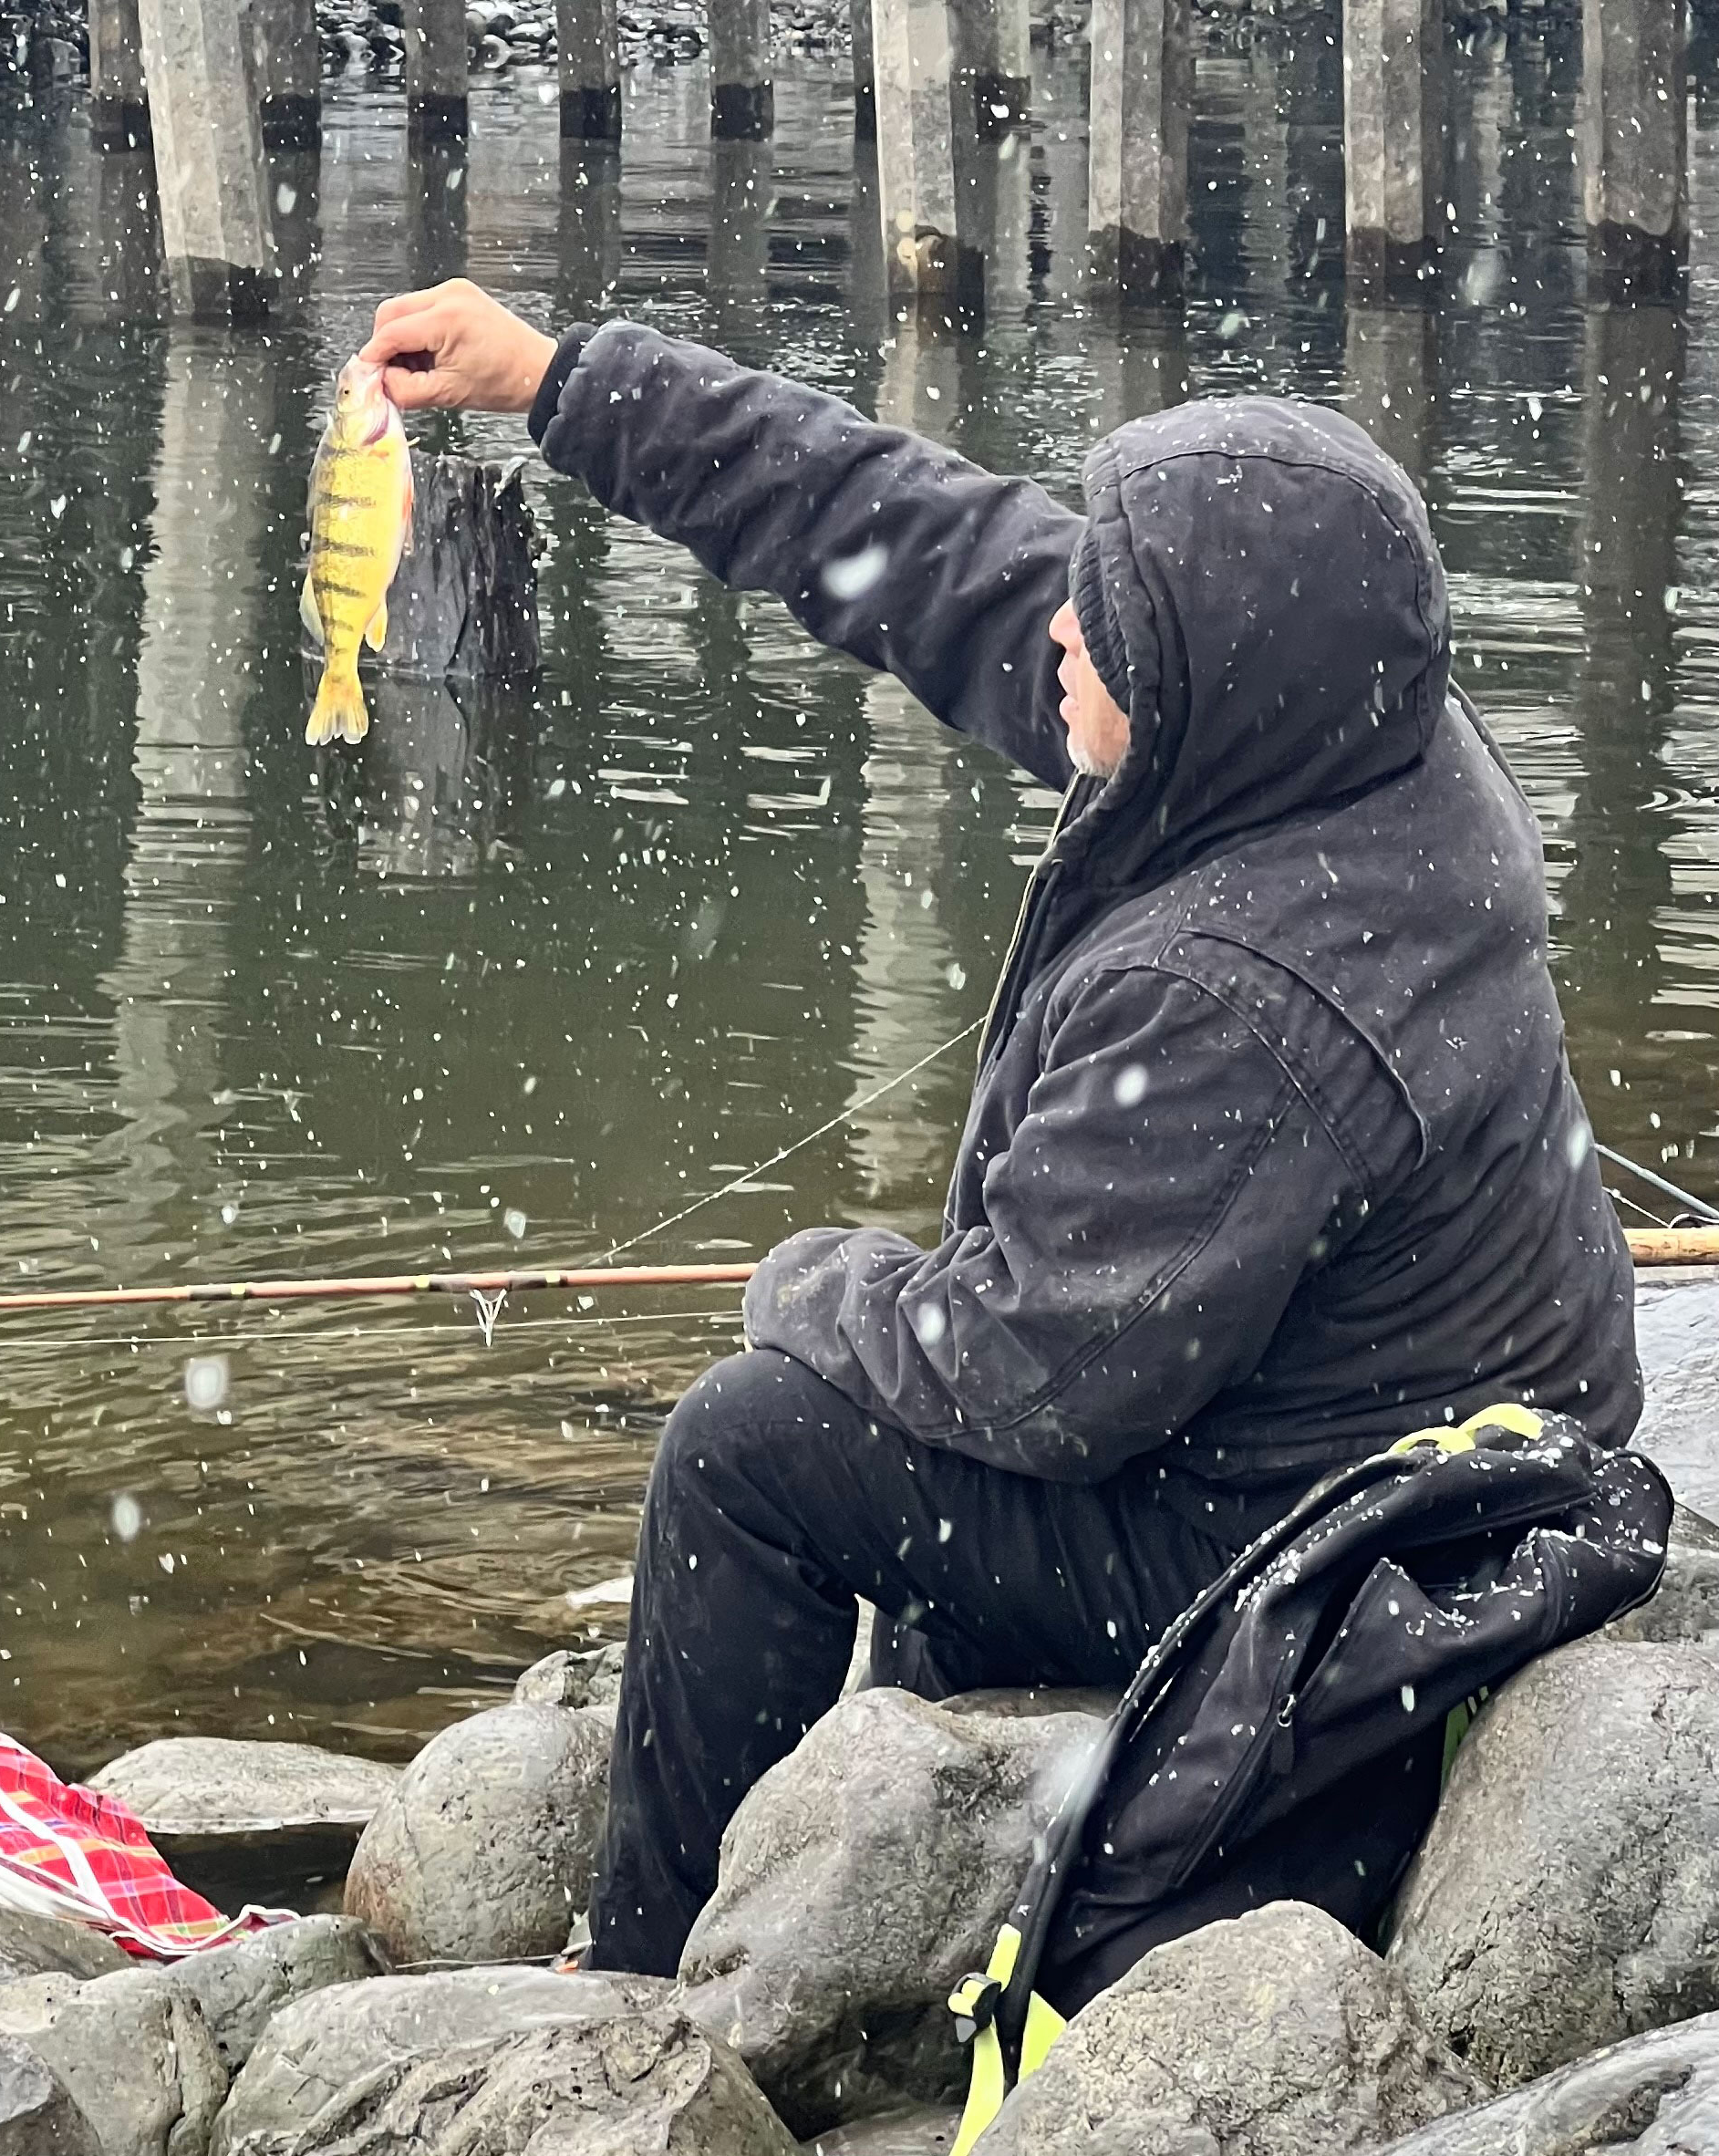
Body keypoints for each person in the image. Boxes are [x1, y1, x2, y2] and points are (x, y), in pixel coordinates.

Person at [359, 283, 1642, 1979]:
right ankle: (870, 1808)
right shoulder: (1336, 725)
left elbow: (1029, 1376)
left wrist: (813, 1283)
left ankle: (646, 1989)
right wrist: (563, 381)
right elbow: (908, 533)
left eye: (1100, 622)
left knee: (749, 1450)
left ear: (1201, 670)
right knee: (885, 1471)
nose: (1058, 637)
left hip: (1343, 1535)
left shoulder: (1240, 994)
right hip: (1453, 1422)